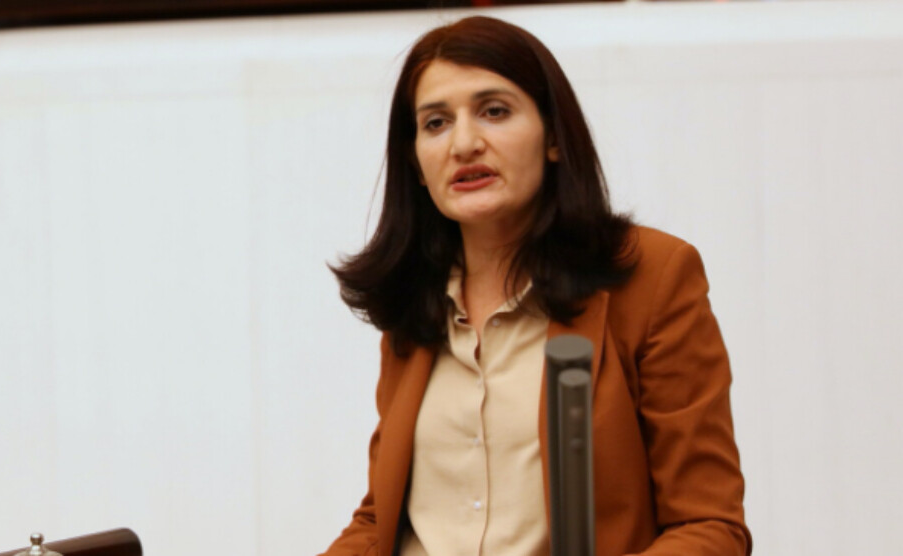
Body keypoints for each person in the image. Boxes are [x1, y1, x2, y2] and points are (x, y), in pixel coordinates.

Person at [321, 15, 751, 556]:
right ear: (416, 163)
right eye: (436, 123)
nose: (464, 143)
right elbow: (380, 520)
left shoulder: (653, 277)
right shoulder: (415, 293)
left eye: (494, 111)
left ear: (553, 137)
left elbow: (709, 525)